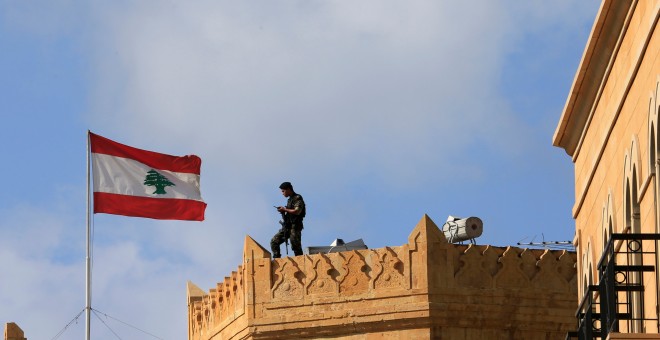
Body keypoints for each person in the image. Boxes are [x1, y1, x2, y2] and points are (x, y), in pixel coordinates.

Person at [270, 182, 306, 258]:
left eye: (283, 191)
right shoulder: (290, 200)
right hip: (287, 226)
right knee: (274, 242)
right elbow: (290, 212)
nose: (282, 193)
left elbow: (297, 211)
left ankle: (300, 263)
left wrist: (285, 209)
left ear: (288, 189)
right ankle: (277, 261)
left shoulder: (297, 198)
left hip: (294, 227)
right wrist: (283, 211)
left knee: (295, 246)